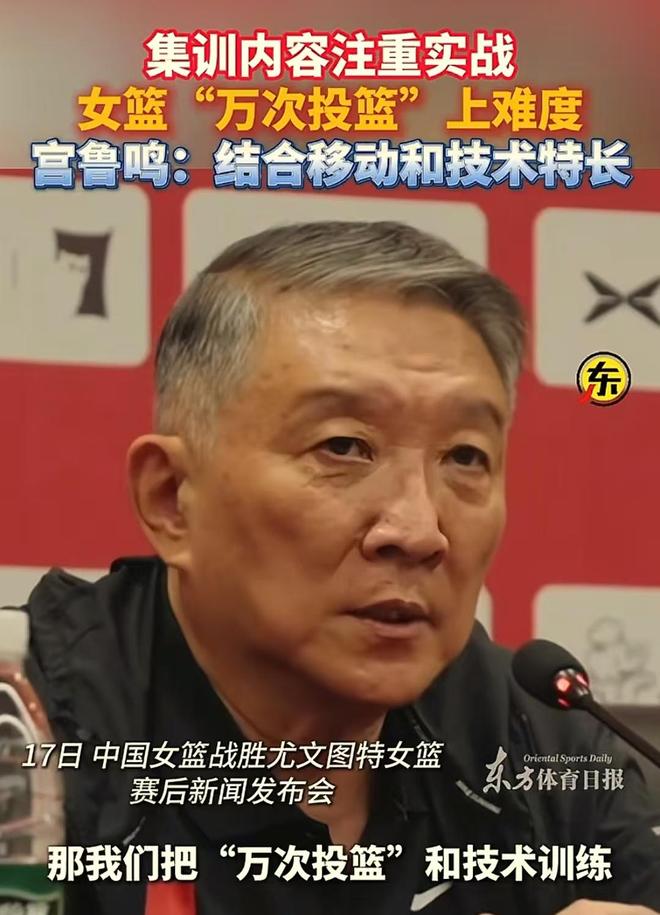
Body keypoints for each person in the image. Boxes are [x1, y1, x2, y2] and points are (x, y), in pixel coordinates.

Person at [10, 221, 660, 914]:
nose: (419, 530)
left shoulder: (533, 737)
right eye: (344, 446)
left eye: (465, 457)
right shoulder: (28, 726)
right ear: (172, 498)